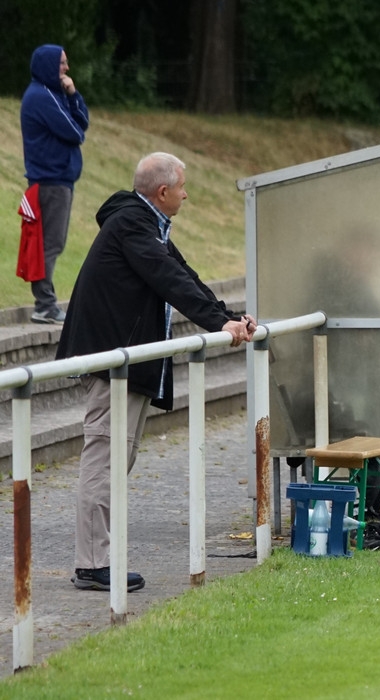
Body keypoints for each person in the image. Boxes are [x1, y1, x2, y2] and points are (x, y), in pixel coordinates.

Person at [55, 152, 256, 592]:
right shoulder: (132, 223)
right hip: (113, 363)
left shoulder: (147, 222)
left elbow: (183, 273)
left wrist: (228, 317)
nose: (187, 194)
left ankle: (98, 558)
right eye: (182, 187)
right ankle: (92, 564)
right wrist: (218, 323)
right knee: (106, 459)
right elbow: (167, 277)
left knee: (117, 459)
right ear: (163, 192)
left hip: (128, 362)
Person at [20, 44, 89, 324]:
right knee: (50, 244)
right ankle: (45, 305)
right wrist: (70, 98)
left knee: (52, 243)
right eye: (62, 63)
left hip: (58, 180)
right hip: (50, 181)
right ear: (49, 65)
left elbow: (81, 123)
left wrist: (73, 94)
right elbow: (75, 133)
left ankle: (45, 303)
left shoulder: (53, 94)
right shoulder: (41, 96)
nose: (67, 68)